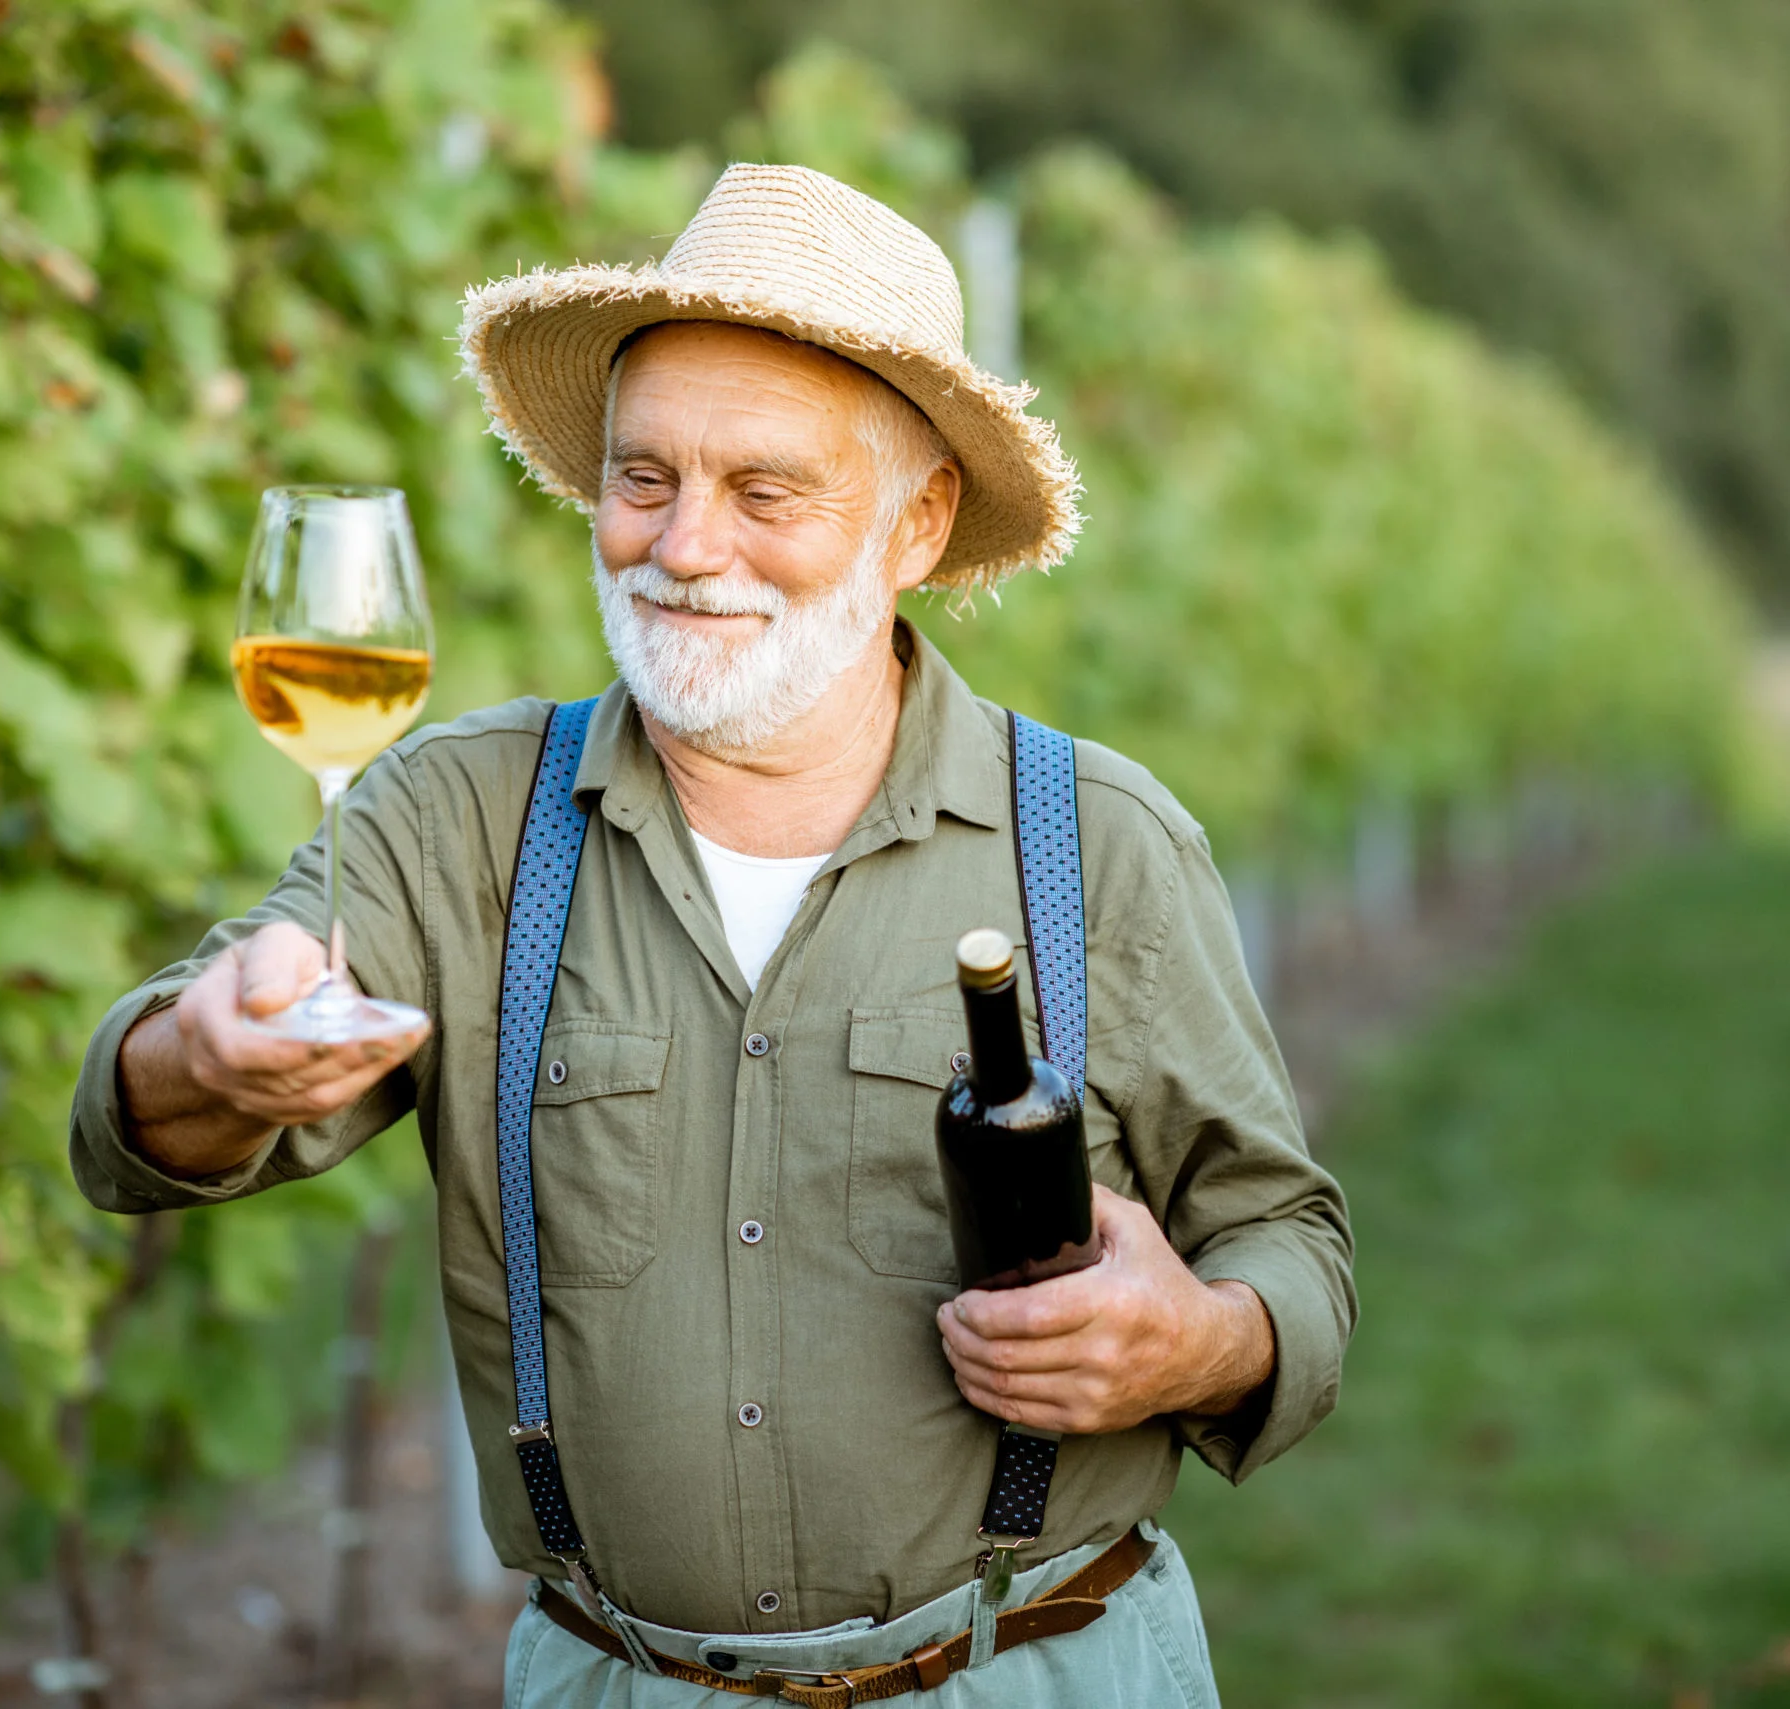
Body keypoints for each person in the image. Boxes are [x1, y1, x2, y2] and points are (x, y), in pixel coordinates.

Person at [69, 164, 1353, 1708]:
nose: (683, 547)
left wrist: (1200, 1341)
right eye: (644, 479)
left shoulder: (1096, 842)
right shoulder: (463, 818)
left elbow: (1292, 1250)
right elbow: (145, 1105)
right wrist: (206, 1048)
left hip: (1031, 1672)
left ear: (918, 527)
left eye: (766, 492)